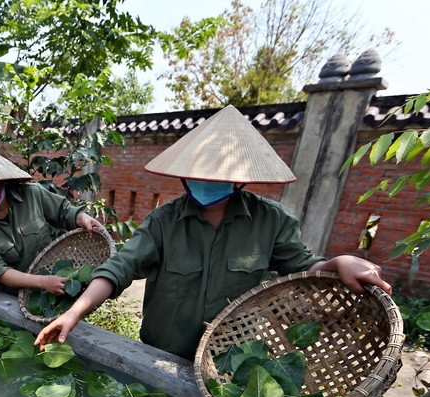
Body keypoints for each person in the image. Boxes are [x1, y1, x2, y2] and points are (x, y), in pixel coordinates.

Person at [35, 105, 391, 360]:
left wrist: (339, 262)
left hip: (229, 358)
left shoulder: (271, 221)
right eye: (198, 172)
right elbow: (119, 269)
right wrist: (74, 312)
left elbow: (301, 267)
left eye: (218, 174)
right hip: (161, 352)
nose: (206, 182)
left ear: (242, 176)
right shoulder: (164, 221)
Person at [0, 142, 104, 295]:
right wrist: (42, 282)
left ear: (1, 183)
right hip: (8, 296)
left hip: (52, 285)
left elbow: (64, 212)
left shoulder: (32, 194)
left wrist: (82, 217)